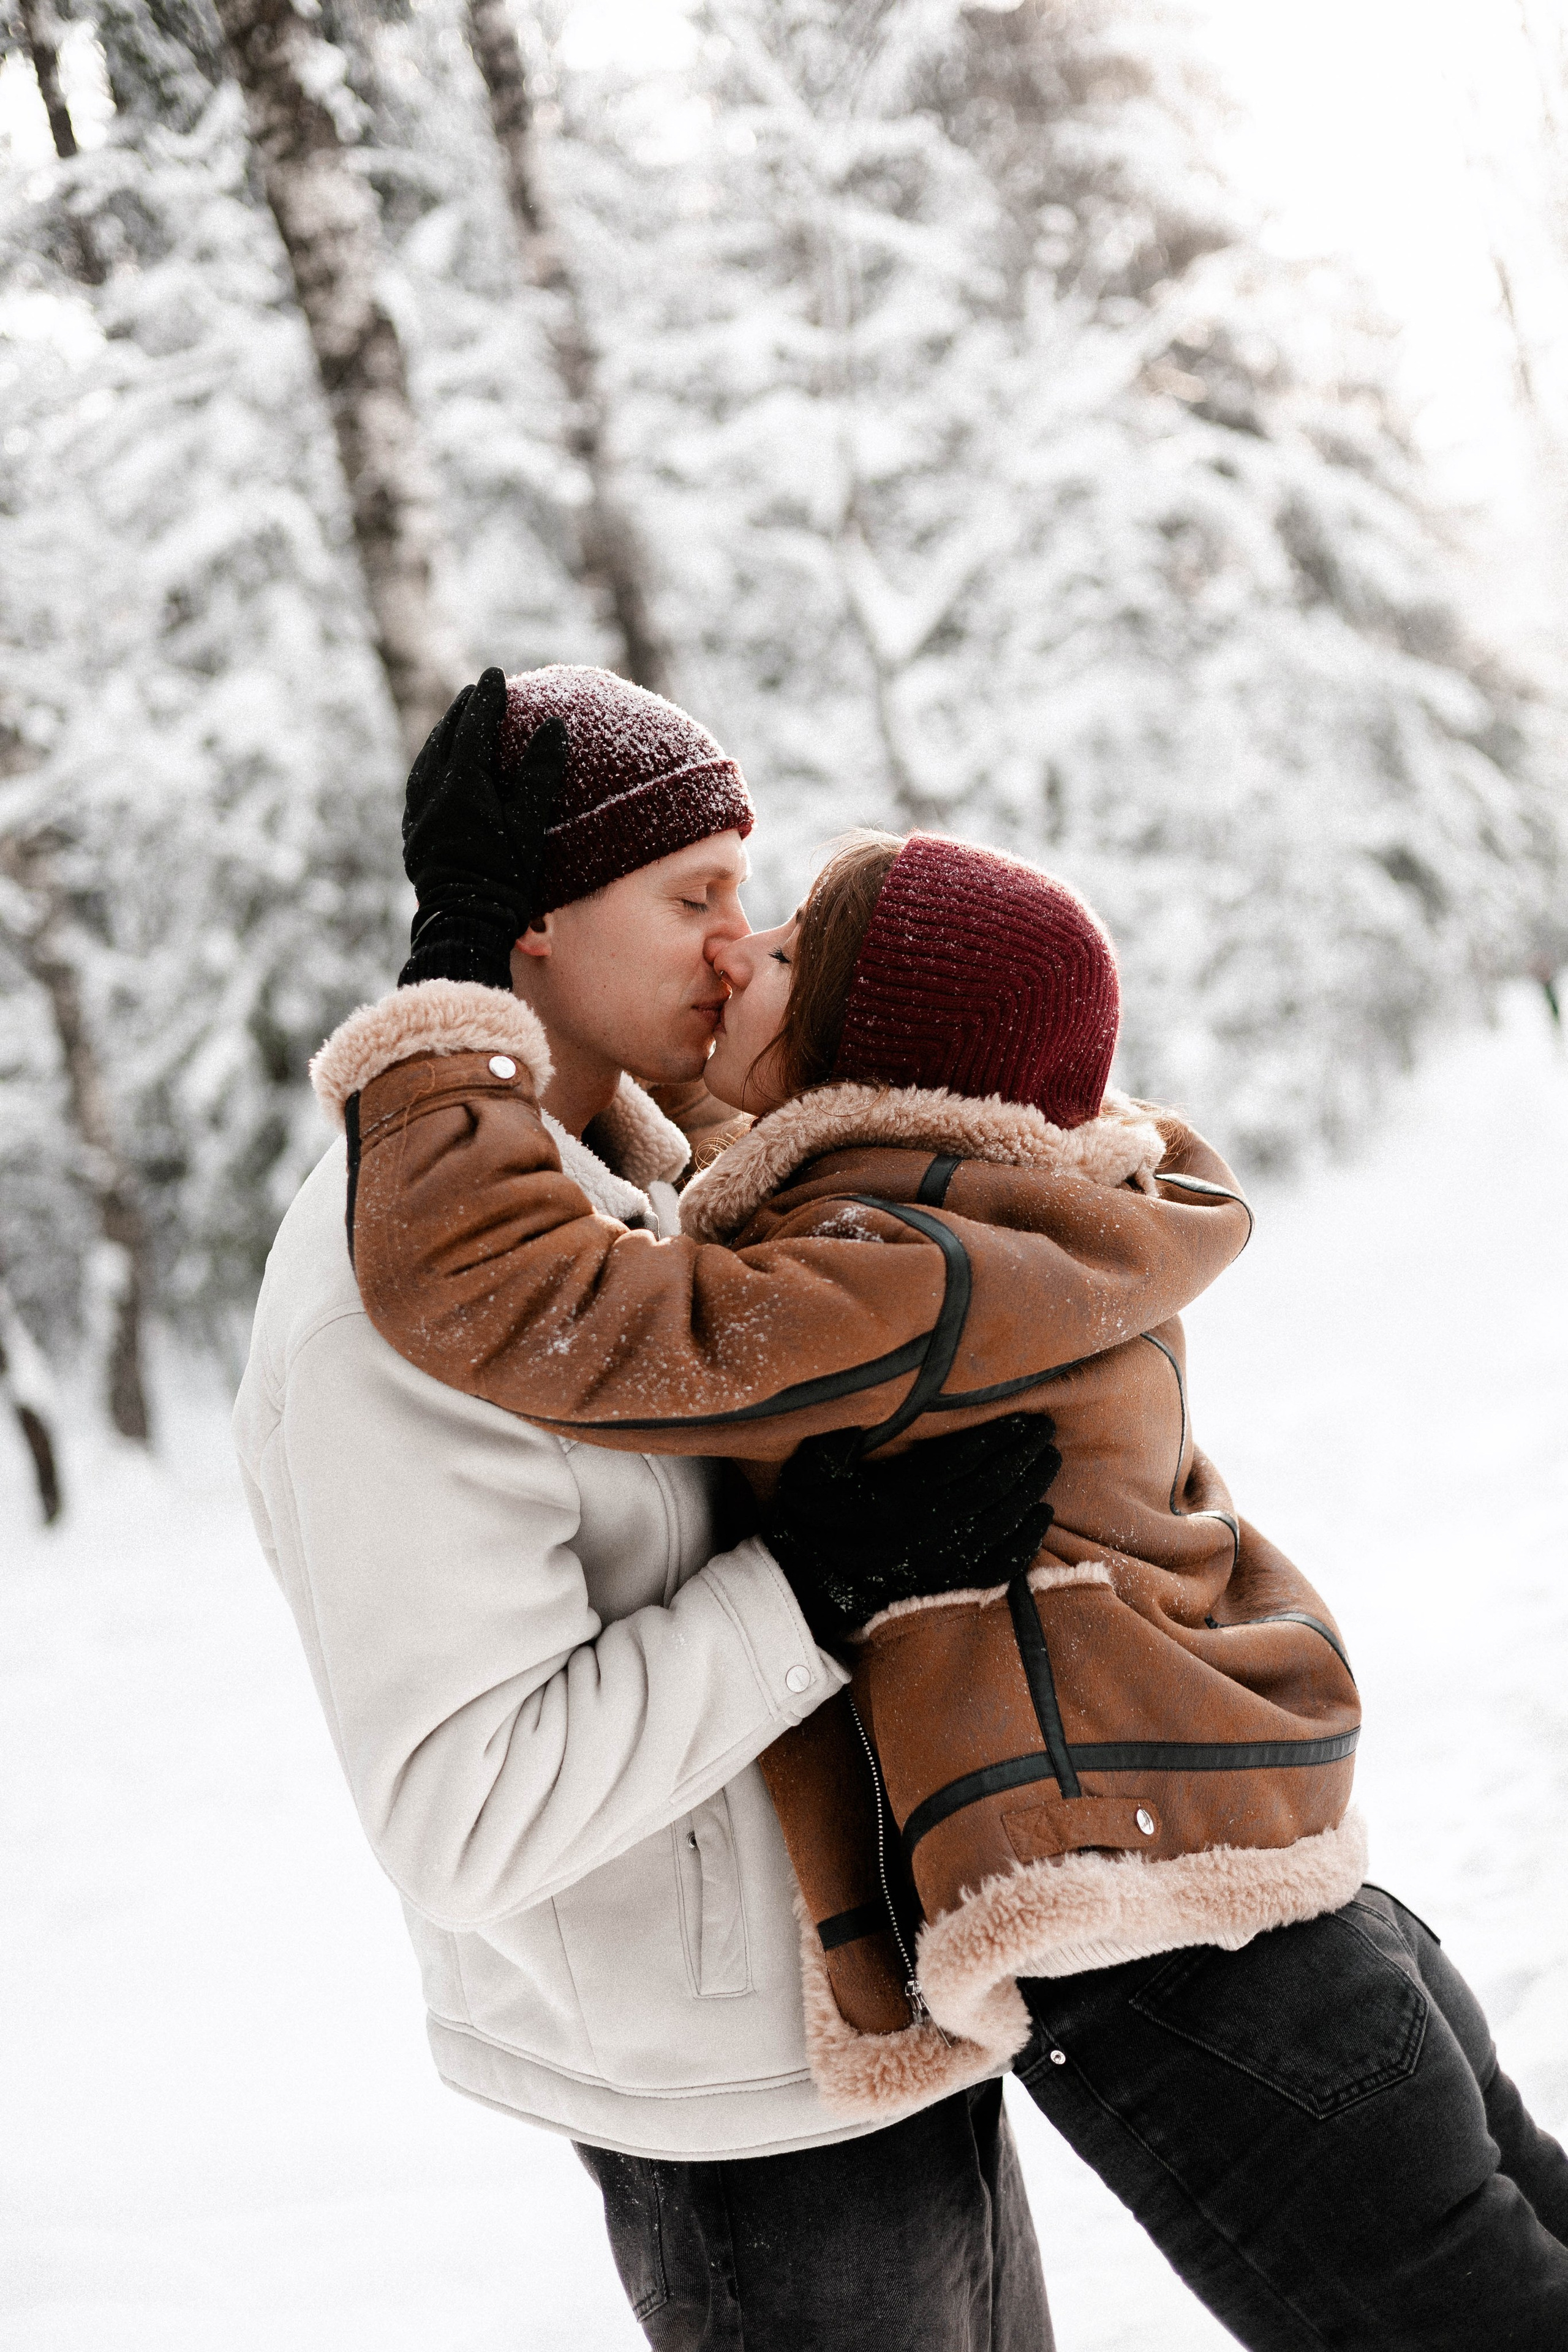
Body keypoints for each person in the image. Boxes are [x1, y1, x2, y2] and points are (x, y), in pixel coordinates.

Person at [325, 671, 1568, 2348]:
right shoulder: (995, 1211)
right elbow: (750, 1171)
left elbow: (549, 1298)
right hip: (1280, 1920)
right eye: (703, 904)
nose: (732, 956)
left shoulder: (900, 1273)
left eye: (766, 944)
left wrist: (436, 1036)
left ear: (850, 1065)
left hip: (1202, 1968)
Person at [235, 662, 1060, 2352]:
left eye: (746, 895)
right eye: (694, 896)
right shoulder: (388, 1304)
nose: (741, 947)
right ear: (535, 924)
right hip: (733, 2108)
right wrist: (820, 1593)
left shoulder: (644, 1202)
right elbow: (465, 1809)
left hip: (868, 2015)